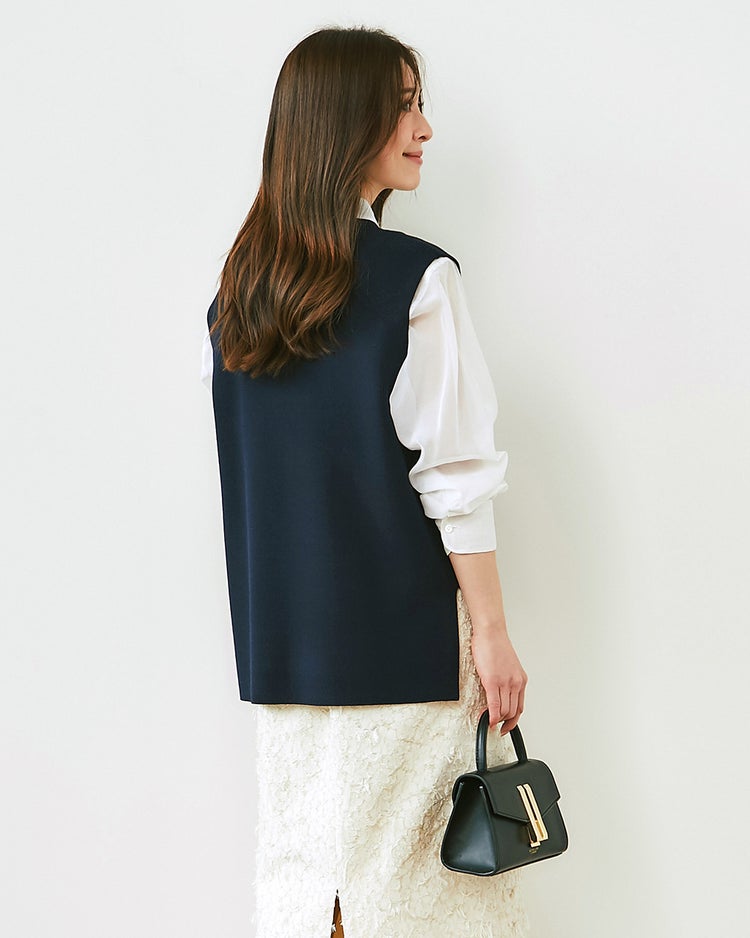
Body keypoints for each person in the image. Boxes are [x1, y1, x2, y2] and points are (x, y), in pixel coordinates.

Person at [201, 25, 530, 938]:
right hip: (406, 647)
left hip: (284, 653)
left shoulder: (236, 297)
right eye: (404, 106)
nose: (425, 129)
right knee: (416, 899)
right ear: (346, 121)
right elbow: (456, 479)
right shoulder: (415, 282)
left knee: (313, 893)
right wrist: (493, 635)